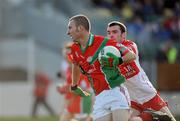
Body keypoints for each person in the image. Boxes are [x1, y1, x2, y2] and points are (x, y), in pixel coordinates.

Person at [67, 14, 136, 121]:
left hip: (116, 92)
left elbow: (131, 56)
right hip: (99, 97)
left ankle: (149, 117)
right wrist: (74, 85)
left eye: (70, 28)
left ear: (80, 28)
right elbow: (75, 64)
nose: (68, 32)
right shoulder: (74, 49)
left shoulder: (104, 42)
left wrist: (118, 60)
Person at [106, 21, 176, 121]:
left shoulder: (130, 45)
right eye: (109, 33)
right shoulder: (107, 52)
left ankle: (151, 116)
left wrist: (113, 50)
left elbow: (130, 56)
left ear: (123, 34)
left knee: (170, 120)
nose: (111, 35)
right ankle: (149, 117)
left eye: (114, 32)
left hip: (147, 95)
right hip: (132, 99)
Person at [57, 42, 93, 121]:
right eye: (65, 53)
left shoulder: (79, 68)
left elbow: (84, 90)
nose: (66, 56)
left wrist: (65, 88)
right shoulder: (68, 69)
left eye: (69, 53)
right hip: (74, 100)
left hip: (82, 101)